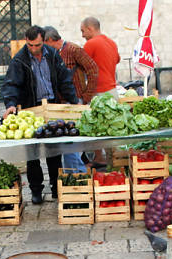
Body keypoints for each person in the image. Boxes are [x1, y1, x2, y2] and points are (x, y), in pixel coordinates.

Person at [1, 25, 79, 204]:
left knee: (53, 150)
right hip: (31, 107)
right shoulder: (19, 59)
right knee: (33, 153)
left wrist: (74, 100)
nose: (34, 49)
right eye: (30, 45)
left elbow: (64, 79)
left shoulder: (52, 54)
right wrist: (11, 104)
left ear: (43, 41)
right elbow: (11, 84)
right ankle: (36, 190)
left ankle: (55, 188)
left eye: (37, 45)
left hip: (51, 105)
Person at [44, 26, 98, 173]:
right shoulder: (49, 54)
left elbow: (92, 69)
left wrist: (86, 96)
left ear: (49, 40)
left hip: (75, 101)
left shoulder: (73, 49)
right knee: (66, 142)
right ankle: (72, 174)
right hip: (59, 104)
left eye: (44, 44)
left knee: (71, 142)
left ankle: (76, 174)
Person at [81, 17, 121, 167]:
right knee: (113, 127)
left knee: (95, 127)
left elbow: (81, 65)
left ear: (90, 29)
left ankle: (99, 157)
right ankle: (115, 160)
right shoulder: (112, 42)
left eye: (83, 31)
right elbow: (117, 59)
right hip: (112, 90)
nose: (82, 34)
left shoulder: (90, 44)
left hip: (98, 92)